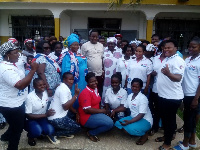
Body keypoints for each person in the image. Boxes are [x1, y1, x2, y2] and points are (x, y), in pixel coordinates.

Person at [0, 41, 38, 150]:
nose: (19, 55)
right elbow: (20, 85)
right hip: (10, 105)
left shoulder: (14, 61)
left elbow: (24, 59)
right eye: (16, 53)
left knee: (16, 123)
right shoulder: (6, 69)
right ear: (7, 55)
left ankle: (5, 136)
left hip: (19, 101)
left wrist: (29, 60)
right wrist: (33, 70)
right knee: (18, 128)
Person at [155, 39, 185, 150]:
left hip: (172, 97)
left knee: (169, 120)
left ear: (176, 48)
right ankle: (168, 136)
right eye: (164, 47)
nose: (166, 49)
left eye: (169, 47)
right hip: (163, 95)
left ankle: (167, 144)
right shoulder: (168, 59)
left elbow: (178, 78)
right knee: (165, 119)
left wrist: (168, 74)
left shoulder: (178, 60)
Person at [173, 37, 200, 150]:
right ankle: (192, 142)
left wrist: (196, 98)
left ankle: (185, 144)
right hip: (185, 94)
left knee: (189, 120)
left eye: (194, 47)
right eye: (189, 46)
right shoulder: (188, 59)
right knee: (190, 119)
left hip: (193, 95)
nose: (190, 49)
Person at [115, 78, 153, 145]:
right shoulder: (130, 96)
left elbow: (141, 115)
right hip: (133, 117)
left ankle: (145, 135)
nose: (134, 88)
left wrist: (129, 122)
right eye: (133, 86)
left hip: (145, 120)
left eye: (137, 87)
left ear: (141, 87)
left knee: (128, 129)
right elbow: (124, 107)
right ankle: (134, 129)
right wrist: (114, 111)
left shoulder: (143, 98)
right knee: (118, 123)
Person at [78, 72, 113, 142]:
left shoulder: (95, 89)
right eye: (91, 82)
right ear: (87, 82)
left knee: (110, 117)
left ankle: (93, 126)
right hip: (87, 117)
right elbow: (87, 110)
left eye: (95, 81)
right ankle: (91, 133)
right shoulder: (86, 93)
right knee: (110, 123)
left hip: (95, 114)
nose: (94, 83)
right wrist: (103, 111)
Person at [25, 78, 59, 146]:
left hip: (42, 118)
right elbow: (28, 115)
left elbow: (50, 99)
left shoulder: (45, 93)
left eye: (43, 84)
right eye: (40, 85)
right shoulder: (29, 97)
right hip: (31, 119)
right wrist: (46, 115)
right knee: (37, 131)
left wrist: (56, 89)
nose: (43, 86)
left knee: (50, 130)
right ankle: (30, 137)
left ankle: (39, 132)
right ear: (34, 87)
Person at [48, 72, 81, 138]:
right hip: (56, 119)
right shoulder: (64, 89)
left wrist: (76, 112)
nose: (72, 82)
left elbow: (69, 104)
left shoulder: (62, 86)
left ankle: (59, 128)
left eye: (72, 80)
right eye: (69, 79)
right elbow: (65, 107)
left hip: (57, 115)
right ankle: (52, 134)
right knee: (78, 128)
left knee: (74, 116)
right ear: (64, 80)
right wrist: (76, 95)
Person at [148, 45, 166, 136]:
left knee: (165, 110)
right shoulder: (155, 58)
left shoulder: (172, 59)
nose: (165, 49)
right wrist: (152, 73)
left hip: (166, 90)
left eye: (167, 48)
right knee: (155, 109)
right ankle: (155, 127)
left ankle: (170, 129)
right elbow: (150, 70)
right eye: (163, 47)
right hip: (155, 88)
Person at [81, 29, 104, 97]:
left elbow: (102, 58)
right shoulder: (84, 46)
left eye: (96, 37)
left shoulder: (101, 45)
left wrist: (103, 70)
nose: (94, 38)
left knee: (99, 89)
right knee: (90, 89)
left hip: (99, 73)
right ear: (89, 36)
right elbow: (82, 59)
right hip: (89, 73)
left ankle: (98, 104)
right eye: (93, 36)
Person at [102, 37, 122, 103]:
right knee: (106, 90)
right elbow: (101, 62)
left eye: (112, 44)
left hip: (117, 74)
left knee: (116, 89)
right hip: (107, 75)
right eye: (109, 43)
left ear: (115, 44)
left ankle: (116, 105)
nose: (110, 45)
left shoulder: (120, 51)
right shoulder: (104, 51)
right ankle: (105, 105)